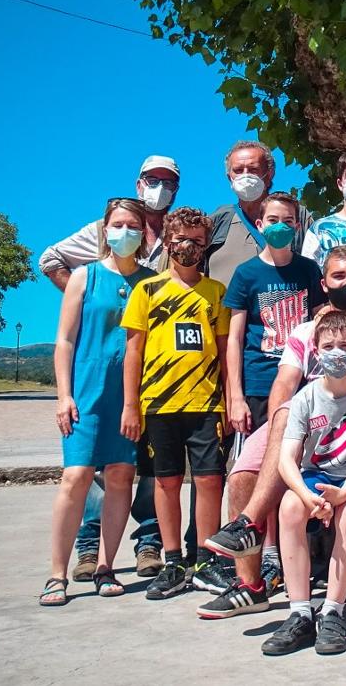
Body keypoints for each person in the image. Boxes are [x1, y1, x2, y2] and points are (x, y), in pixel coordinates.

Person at [199, 245, 346, 619]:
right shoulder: (305, 331)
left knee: (290, 420)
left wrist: (344, 393)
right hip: (302, 422)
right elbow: (285, 380)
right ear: (323, 284)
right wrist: (285, 415)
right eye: (339, 276)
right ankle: (249, 585)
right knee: (242, 476)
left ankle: (249, 525)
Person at [41, 157, 177, 577]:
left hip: (140, 391)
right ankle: (73, 558)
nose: (126, 232)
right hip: (89, 387)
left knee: (128, 473)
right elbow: (64, 335)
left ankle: (118, 560)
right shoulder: (87, 273)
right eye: (118, 226)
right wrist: (63, 395)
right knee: (80, 474)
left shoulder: (158, 269)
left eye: (168, 182)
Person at [261, 311, 346, 656]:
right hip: (317, 476)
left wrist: (344, 493)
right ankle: (300, 612)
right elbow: (286, 459)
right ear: (315, 351)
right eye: (328, 346)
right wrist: (308, 497)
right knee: (289, 507)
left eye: (345, 346)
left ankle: (333, 611)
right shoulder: (304, 398)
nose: (337, 352)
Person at [120, 207, 231, 599]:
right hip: (159, 404)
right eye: (182, 238)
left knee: (209, 480)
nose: (189, 246)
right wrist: (130, 405)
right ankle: (172, 562)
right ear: (168, 241)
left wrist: (230, 398)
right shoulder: (147, 291)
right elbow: (133, 352)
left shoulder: (216, 292)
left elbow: (224, 351)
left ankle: (205, 559)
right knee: (165, 481)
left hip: (206, 403)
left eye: (198, 241)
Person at [223, 191, 324, 439]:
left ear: (297, 227)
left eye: (288, 221)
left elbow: (321, 321)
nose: (280, 226)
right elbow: (234, 338)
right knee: (261, 453)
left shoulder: (309, 269)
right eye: (273, 220)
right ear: (260, 224)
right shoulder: (245, 273)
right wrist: (236, 397)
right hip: (259, 383)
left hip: (303, 380)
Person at [39, 155, 177, 290]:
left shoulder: (180, 235)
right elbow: (50, 258)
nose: (160, 188)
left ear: (175, 190)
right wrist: (82, 298)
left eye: (168, 183)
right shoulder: (104, 229)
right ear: (139, 185)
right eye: (152, 180)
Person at [206, 140, 313, 287]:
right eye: (238, 170)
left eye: (253, 169)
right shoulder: (217, 221)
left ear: (269, 174)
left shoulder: (296, 215)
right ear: (229, 177)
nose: (245, 175)